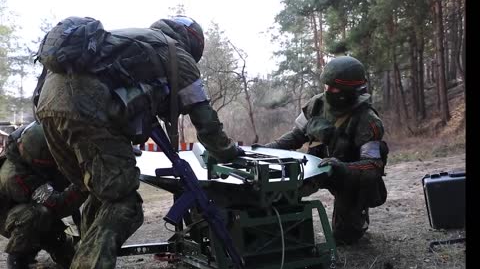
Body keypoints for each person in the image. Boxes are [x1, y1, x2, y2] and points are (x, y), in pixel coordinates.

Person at [34, 15, 244, 268]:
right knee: (125, 205)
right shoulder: (176, 53)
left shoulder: (129, 40)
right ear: (193, 41)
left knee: (99, 193)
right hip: (87, 108)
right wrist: (228, 152)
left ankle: (83, 256)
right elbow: (205, 120)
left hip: (47, 104)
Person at [254, 56, 388, 245]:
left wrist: (343, 168)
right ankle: (286, 239)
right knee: (279, 194)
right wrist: (266, 150)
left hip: (347, 177)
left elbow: (373, 165)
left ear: (349, 90)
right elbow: (296, 136)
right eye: (326, 85)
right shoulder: (316, 104)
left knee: (346, 238)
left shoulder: (367, 119)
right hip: (314, 167)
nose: (328, 90)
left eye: (334, 87)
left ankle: (355, 218)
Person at [0, 121, 86, 269]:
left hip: (31, 208)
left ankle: (56, 244)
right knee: (38, 214)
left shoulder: (34, 140)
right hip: (10, 217)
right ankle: (18, 259)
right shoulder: (14, 176)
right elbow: (57, 205)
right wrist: (83, 185)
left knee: (70, 258)